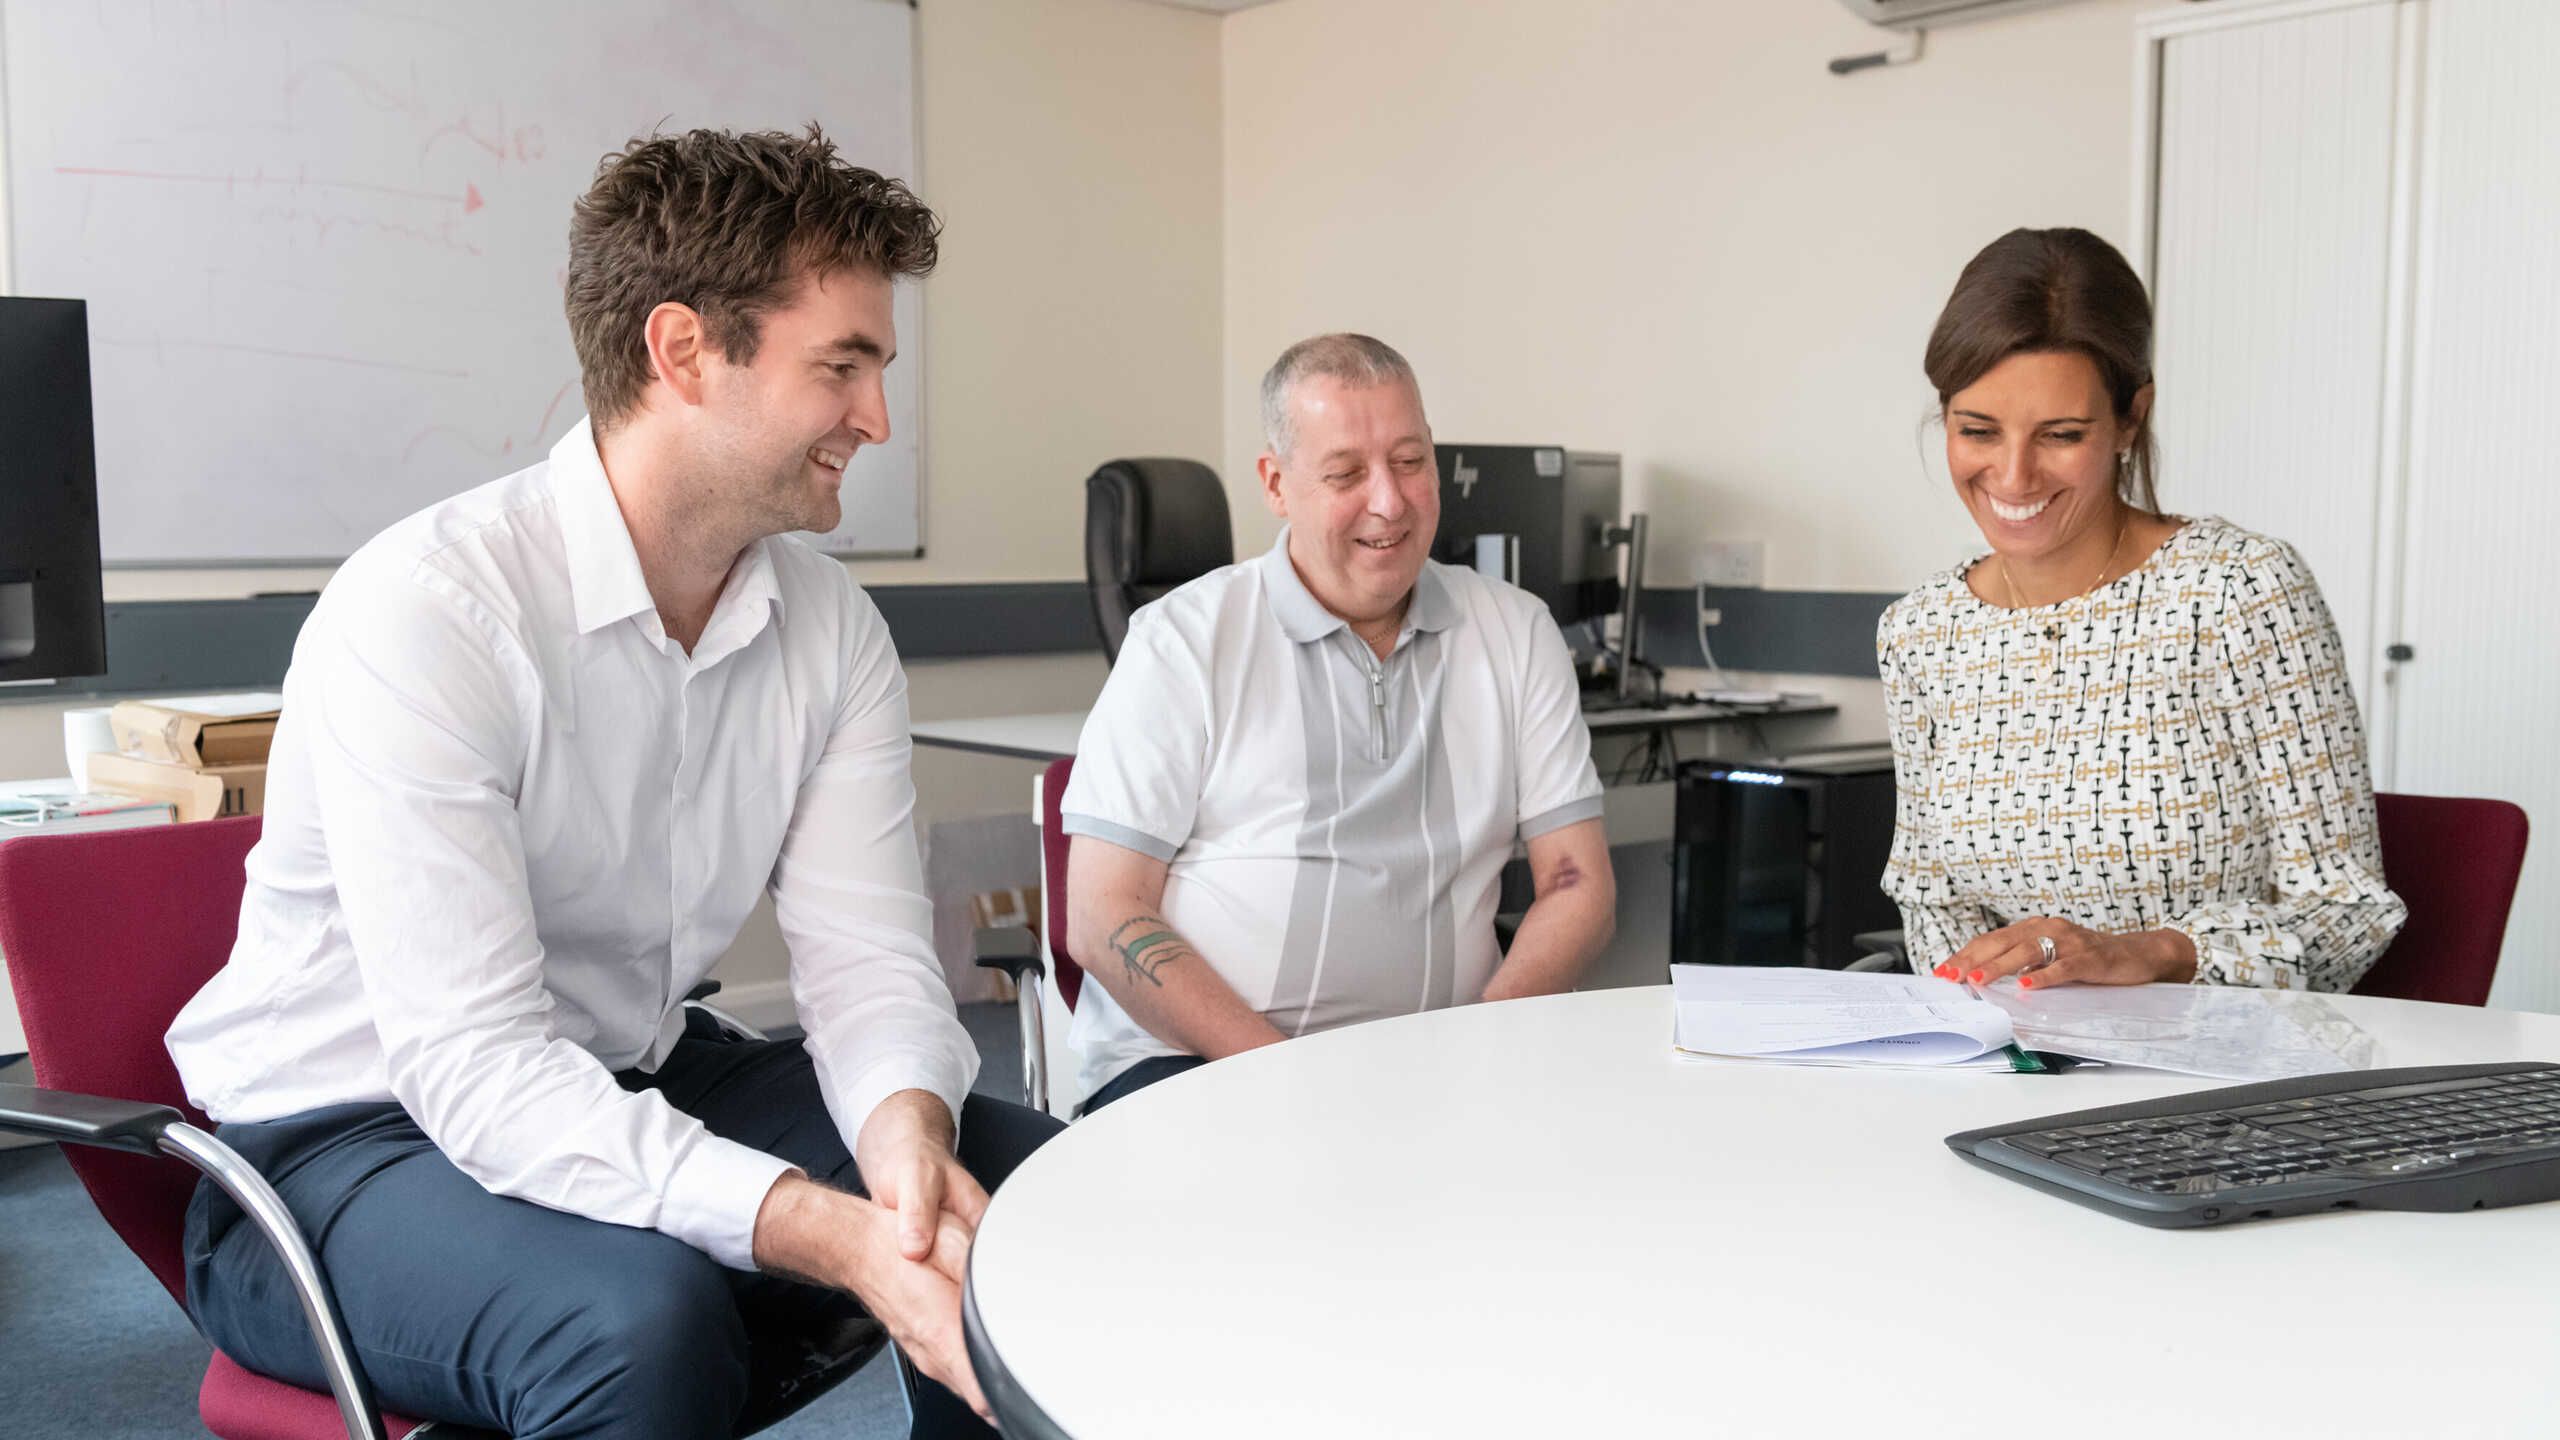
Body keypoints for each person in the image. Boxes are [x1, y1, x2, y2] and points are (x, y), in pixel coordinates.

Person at [166, 127, 1057, 1439]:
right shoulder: (431, 615)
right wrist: (835, 1233)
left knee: (1027, 1200)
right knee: (638, 1327)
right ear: (683, 351)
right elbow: (475, 1070)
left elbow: (869, 970)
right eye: (843, 366)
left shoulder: (832, 632)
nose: (875, 418)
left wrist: (904, 1149)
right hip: (343, 1142)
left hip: (626, 1069)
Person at [1059, 333, 1618, 1114]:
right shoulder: (1183, 640)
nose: (1388, 501)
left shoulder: (1516, 633)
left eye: (1411, 461)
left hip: (1441, 1066)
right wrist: (1286, 1080)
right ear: (1276, 483)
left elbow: (1577, 881)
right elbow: (1101, 913)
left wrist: (1489, 1043)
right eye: (1346, 473)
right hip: (1196, 1066)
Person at [1877, 227, 2406, 993]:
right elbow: (1933, 902)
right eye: (1977, 431)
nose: (2014, 474)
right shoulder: (1920, 632)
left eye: (2060, 435)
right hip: (2014, 1065)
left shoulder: (2238, 591)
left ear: (2131, 418)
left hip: (2216, 1076)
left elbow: (2348, 911)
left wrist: (2154, 953)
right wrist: (1991, 1021)